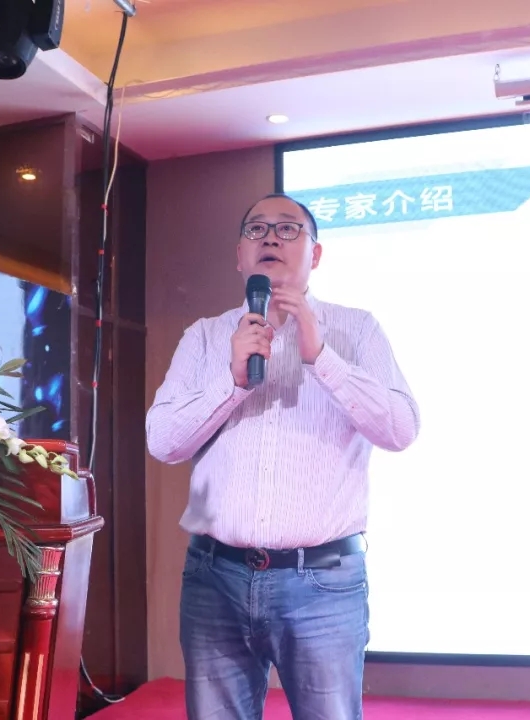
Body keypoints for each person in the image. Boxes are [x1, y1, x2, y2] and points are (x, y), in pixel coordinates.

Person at [146, 193, 420, 720]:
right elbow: (163, 441)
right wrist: (232, 380)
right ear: (239, 256)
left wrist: (322, 358)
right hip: (214, 579)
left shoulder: (357, 329)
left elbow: (401, 429)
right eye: (256, 229)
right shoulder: (205, 336)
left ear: (315, 254)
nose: (270, 237)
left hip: (323, 583)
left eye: (288, 228)